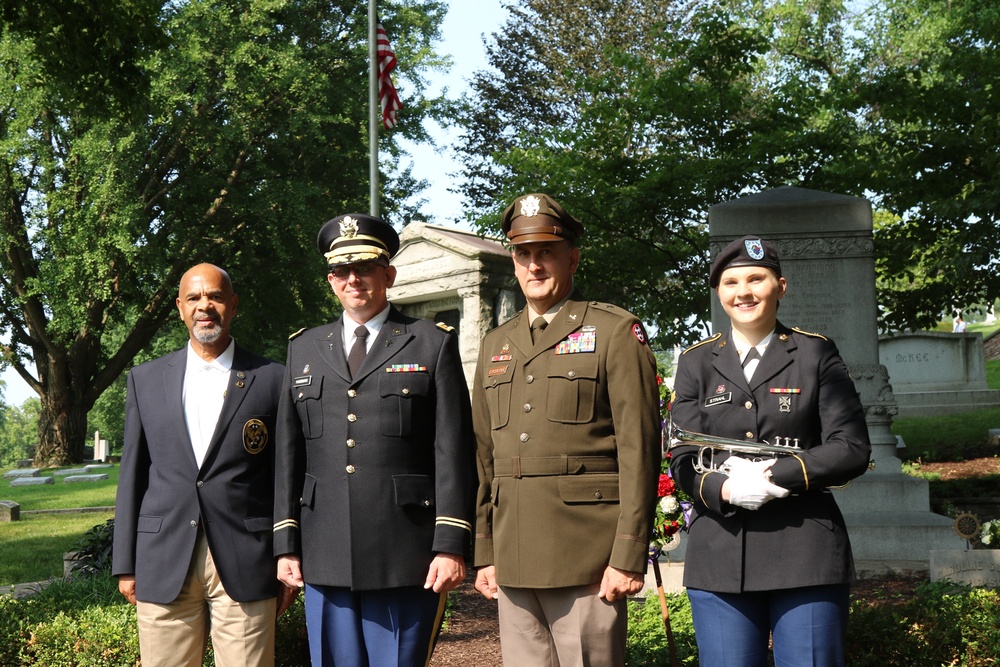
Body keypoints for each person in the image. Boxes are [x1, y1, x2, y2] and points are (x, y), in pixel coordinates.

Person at [272, 213, 476, 667]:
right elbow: (289, 454)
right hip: (323, 550)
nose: (353, 279)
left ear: (388, 274)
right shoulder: (303, 348)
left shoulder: (430, 343)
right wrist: (286, 544)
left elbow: (453, 450)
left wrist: (450, 543)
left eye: (363, 268)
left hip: (405, 552)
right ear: (330, 280)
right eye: (342, 271)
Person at [472, 193, 661, 666]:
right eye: (523, 254)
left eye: (546, 253)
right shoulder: (497, 343)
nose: (533, 265)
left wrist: (628, 553)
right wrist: (485, 550)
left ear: (572, 258)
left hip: (588, 556)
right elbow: (483, 457)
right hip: (514, 554)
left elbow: (639, 450)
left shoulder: (614, 331)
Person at [668, 235, 873, 667]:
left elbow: (851, 447)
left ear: (780, 286)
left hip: (805, 550)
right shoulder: (696, 362)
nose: (743, 291)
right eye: (730, 282)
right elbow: (682, 455)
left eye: (756, 279)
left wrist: (771, 478)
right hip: (721, 554)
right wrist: (724, 490)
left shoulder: (815, 353)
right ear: (718, 292)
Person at [113, 263, 295, 667]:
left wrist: (288, 553)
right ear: (180, 307)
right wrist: (124, 563)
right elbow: (133, 475)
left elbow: (285, 476)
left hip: (247, 555)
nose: (204, 306)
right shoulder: (145, 379)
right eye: (194, 298)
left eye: (214, 296)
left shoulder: (273, 378)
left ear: (233, 305)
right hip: (163, 556)